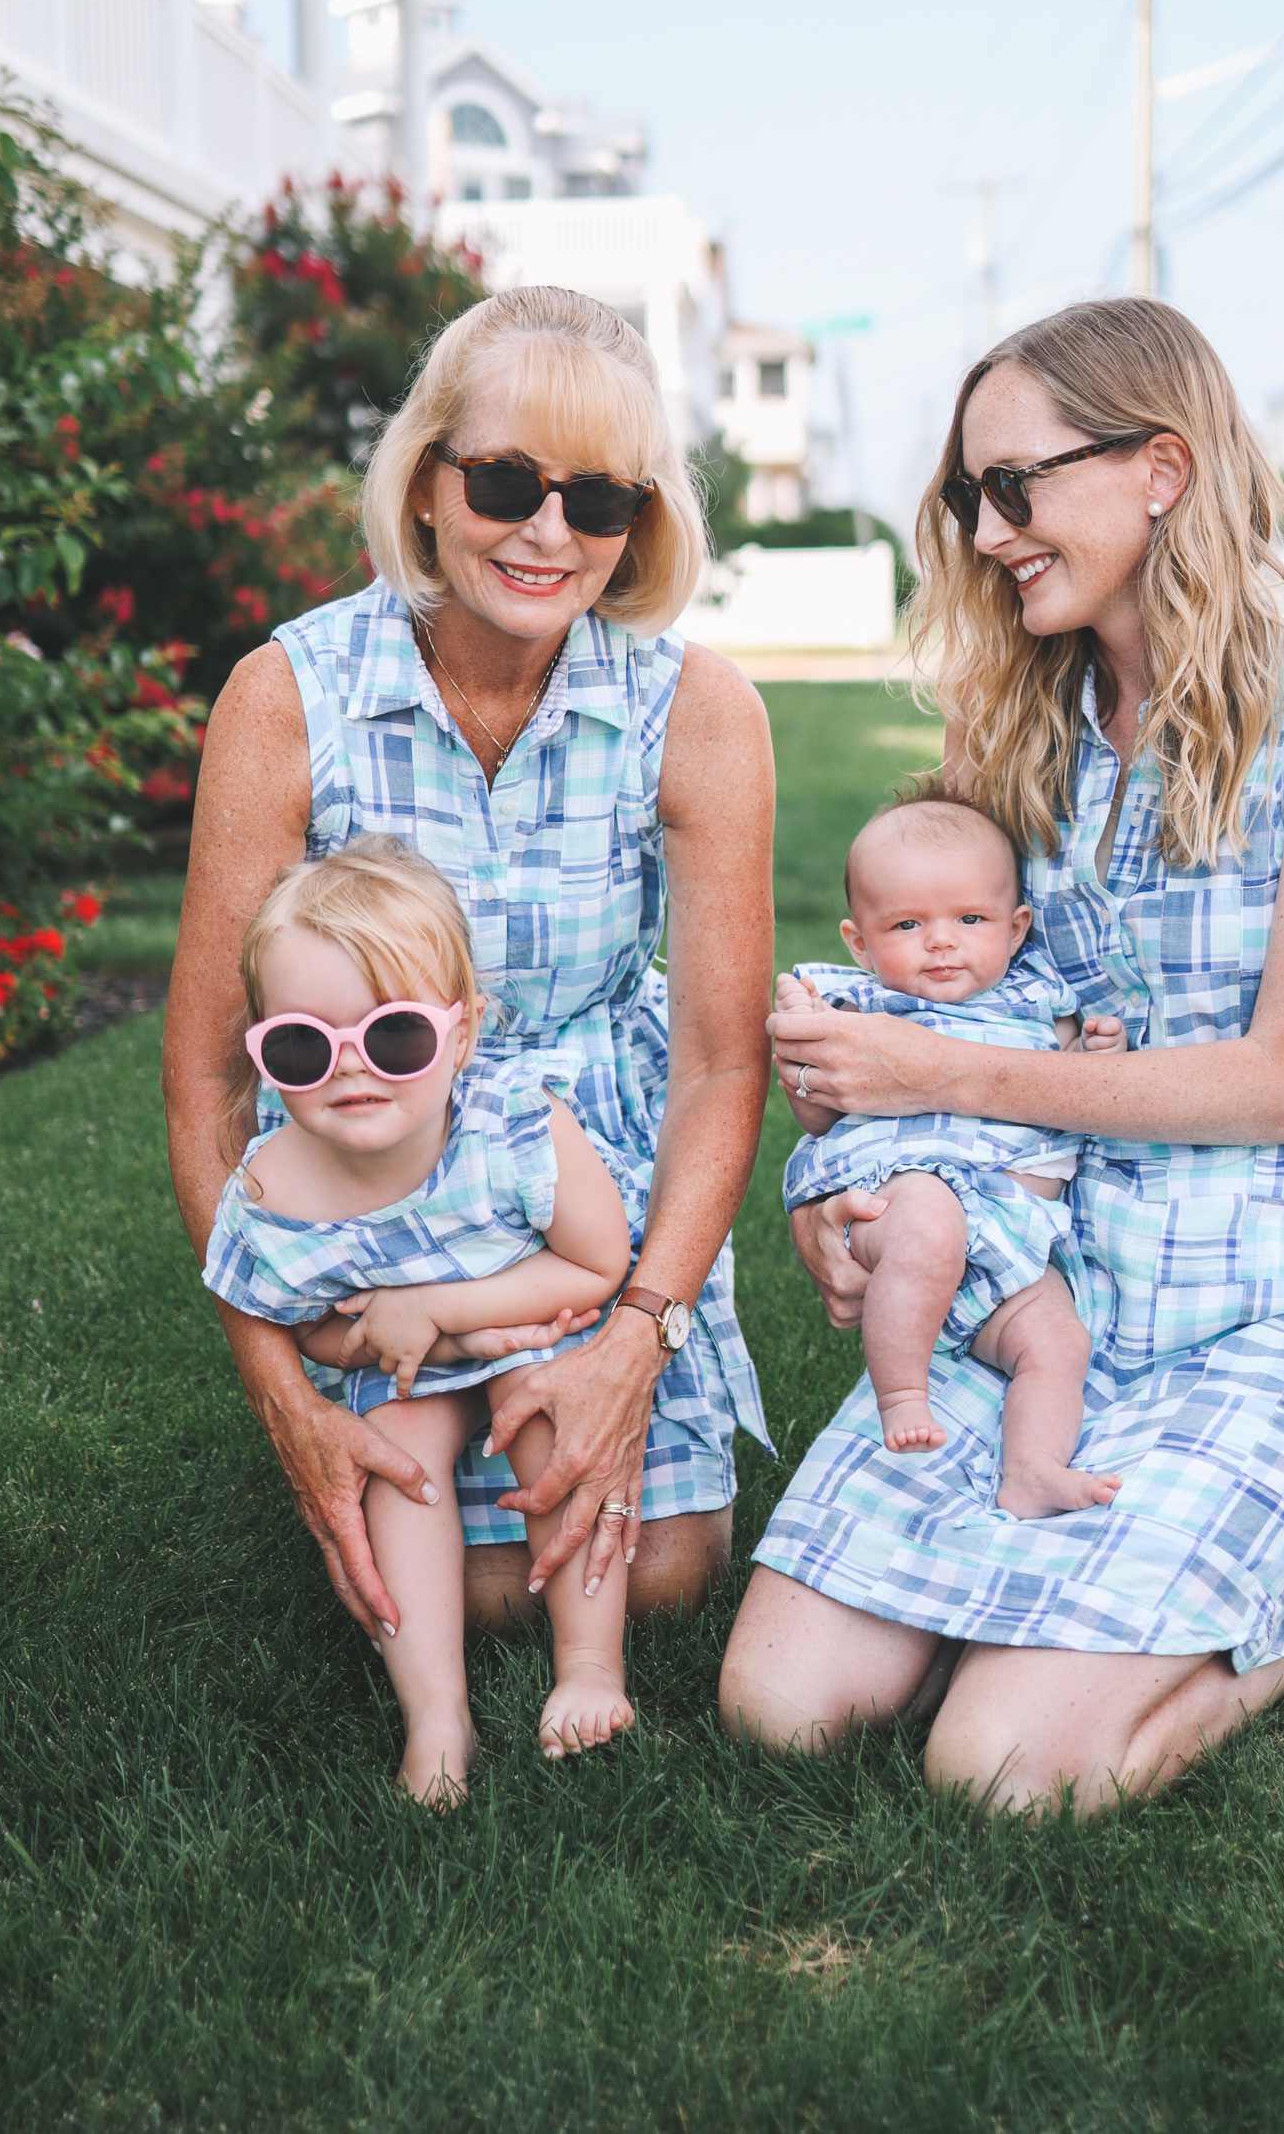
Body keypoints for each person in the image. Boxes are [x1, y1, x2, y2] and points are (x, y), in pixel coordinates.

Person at [722, 296, 1284, 1816]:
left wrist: (930, 1081)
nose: (991, 529)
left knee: (1008, 1772)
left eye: (1017, 486)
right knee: (779, 1711)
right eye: (970, 497)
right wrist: (833, 1195)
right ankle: (1080, 1596)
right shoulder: (1017, 725)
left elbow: (1283, 1080)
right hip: (1042, 1292)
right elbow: (930, 1013)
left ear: (1160, 469)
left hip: (1264, 1299)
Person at [164, 284, 775, 1668]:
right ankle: (387, 1429)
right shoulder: (286, 693)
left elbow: (723, 1064)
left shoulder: (700, 709)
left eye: (599, 501)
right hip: (372, 1186)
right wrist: (286, 1395)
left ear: (642, 524)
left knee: (659, 1576)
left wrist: (635, 1333)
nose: (549, 532)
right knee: (445, 1584)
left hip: (592, 1210)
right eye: (505, 481)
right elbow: (209, 1070)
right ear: (429, 483)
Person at [204, 836, 636, 1795]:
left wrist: (444, 1312)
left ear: (463, 1033)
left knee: (552, 1417)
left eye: (395, 1037)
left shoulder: (515, 1125)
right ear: (265, 1051)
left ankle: (590, 1666)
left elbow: (597, 1263)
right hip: (401, 1370)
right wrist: (371, 1338)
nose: (351, 1072)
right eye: (303, 1046)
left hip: (528, 1325)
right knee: (395, 1459)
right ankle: (437, 1717)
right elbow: (288, 1319)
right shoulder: (275, 1189)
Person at [780, 791, 1127, 1514]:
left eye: (970, 920)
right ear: (859, 942)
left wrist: (1098, 1052)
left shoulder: (1039, 999)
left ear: (1015, 926)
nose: (942, 941)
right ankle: (904, 1393)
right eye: (908, 925)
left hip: (1014, 1246)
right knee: (930, 1228)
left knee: (1058, 1344)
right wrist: (803, 1039)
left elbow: (1084, 1089)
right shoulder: (858, 1003)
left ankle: (1031, 1469)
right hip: (909, 1196)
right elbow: (816, 1112)